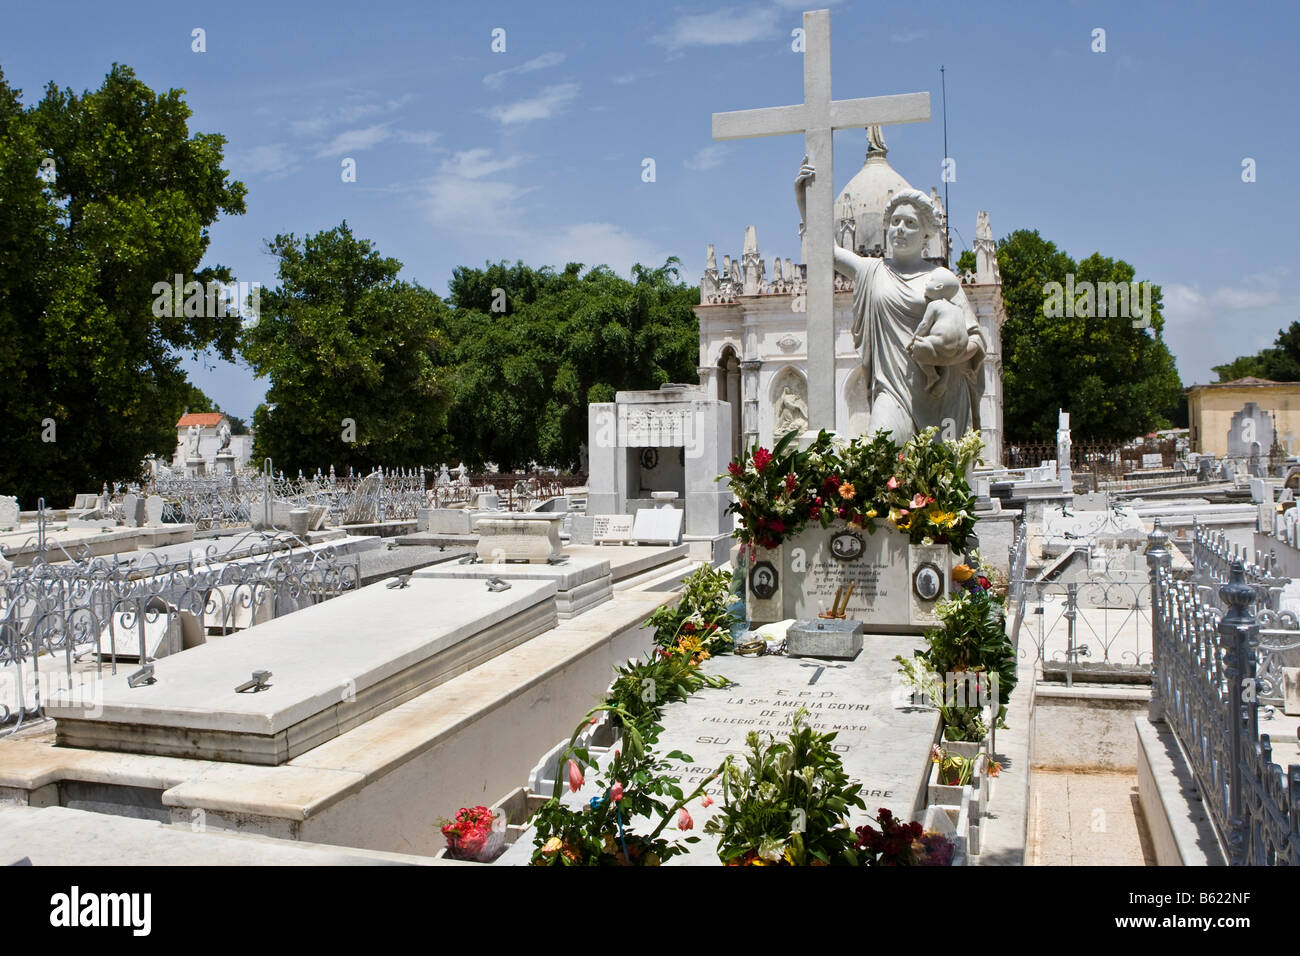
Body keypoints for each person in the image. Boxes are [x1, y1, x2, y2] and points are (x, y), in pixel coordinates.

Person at [795, 161, 986, 442]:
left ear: (925, 233)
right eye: (895, 221)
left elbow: (976, 340)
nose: (900, 229)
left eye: (910, 223)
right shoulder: (873, 271)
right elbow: (827, 251)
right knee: (881, 450)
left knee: (942, 478)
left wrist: (947, 352)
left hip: (942, 396)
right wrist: (805, 203)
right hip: (891, 390)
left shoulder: (942, 278)